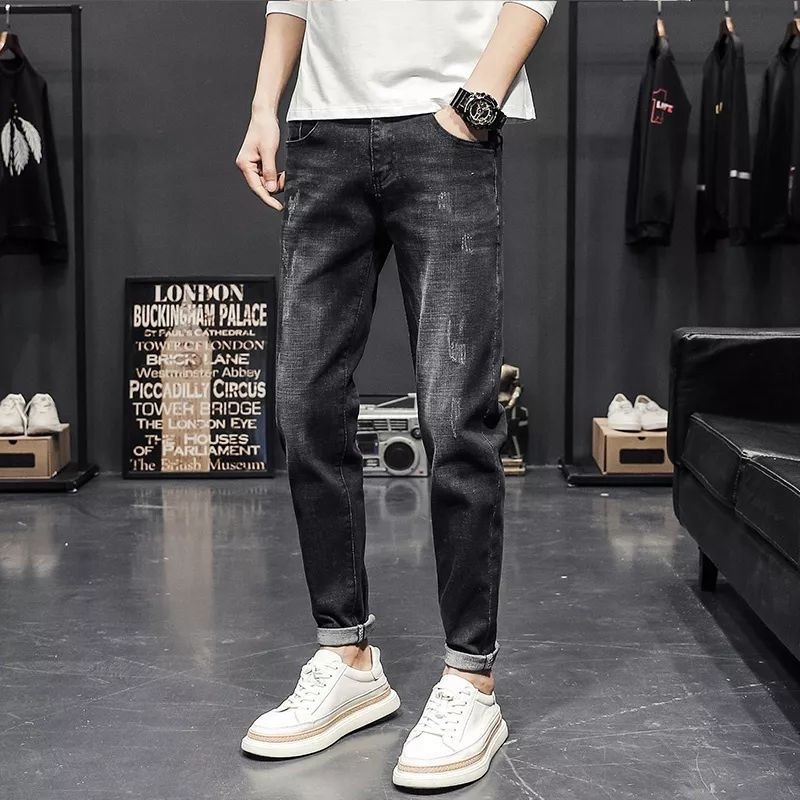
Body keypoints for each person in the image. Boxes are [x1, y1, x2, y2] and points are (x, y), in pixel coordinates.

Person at [235, 0, 555, 789]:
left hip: (445, 126)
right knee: (303, 402)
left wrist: (477, 101)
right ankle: (346, 657)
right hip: (322, 132)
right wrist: (266, 104)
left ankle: (471, 678)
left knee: (455, 414)